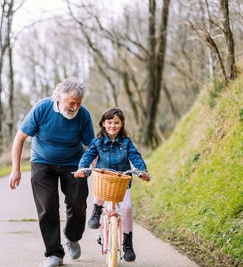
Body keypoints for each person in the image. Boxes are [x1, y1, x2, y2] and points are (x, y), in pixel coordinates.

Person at [8, 77, 95, 267]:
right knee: (47, 207)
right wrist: (16, 169)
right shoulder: (42, 108)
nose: (75, 107)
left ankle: (72, 237)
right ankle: (54, 253)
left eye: (79, 103)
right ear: (57, 98)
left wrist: (91, 168)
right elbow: (20, 138)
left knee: (78, 204)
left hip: (74, 163)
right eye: (71, 103)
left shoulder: (83, 115)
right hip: (42, 163)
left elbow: (91, 146)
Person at [74, 107, 150, 262]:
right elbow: (88, 155)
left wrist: (142, 171)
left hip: (122, 181)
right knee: (100, 190)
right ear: (103, 123)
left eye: (116, 122)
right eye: (109, 122)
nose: (112, 126)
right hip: (104, 178)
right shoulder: (97, 142)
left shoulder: (127, 143)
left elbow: (135, 157)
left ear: (121, 124)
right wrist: (82, 168)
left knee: (127, 208)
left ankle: (127, 244)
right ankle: (96, 211)